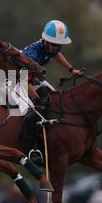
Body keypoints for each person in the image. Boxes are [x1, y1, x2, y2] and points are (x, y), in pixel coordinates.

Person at [21, 20, 84, 164]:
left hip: (30, 79)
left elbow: (57, 55)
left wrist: (71, 70)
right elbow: (23, 80)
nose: (56, 48)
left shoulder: (50, 47)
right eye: (54, 44)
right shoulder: (32, 55)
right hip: (16, 79)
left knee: (54, 99)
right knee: (34, 112)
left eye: (58, 45)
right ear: (45, 40)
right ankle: (32, 150)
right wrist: (36, 100)